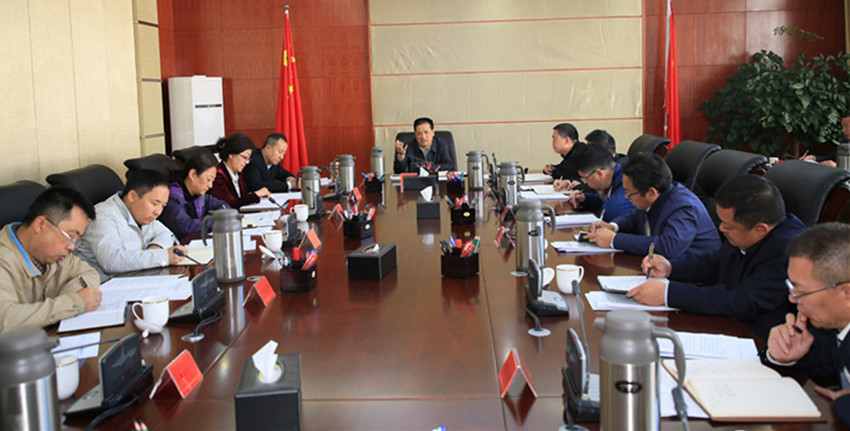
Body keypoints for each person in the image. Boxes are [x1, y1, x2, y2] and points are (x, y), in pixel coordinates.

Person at [627, 175, 806, 341]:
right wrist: (671, 267)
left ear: (760, 229)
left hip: (759, 340)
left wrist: (668, 293)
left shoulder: (792, 251)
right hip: (729, 324)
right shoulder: (743, 233)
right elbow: (714, 263)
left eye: (728, 226)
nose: (721, 229)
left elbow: (744, 301)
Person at [763, 223, 850, 427]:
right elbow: (826, 370)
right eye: (791, 287)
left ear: (846, 293)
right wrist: (786, 356)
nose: (792, 299)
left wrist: (845, 403)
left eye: (801, 291)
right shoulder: (830, 325)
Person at [0, 186, 101, 333]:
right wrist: (73, 303)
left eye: (76, 240)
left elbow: (88, 273)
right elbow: (5, 319)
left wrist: (69, 299)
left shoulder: (56, 255)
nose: (72, 247)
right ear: (40, 225)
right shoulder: (4, 259)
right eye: (70, 236)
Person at [585, 153, 720, 259]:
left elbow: (669, 247)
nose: (626, 197)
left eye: (629, 192)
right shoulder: (657, 197)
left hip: (693, 275)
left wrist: (614, 240)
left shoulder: (684, 207)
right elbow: (635, 215)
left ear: (651, 192)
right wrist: (613, 226)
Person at [74, 170, 187, 281]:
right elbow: (111, 261)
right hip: (104, 285)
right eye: (155, 203)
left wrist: (155, 248)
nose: (158, 212)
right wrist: (162, 256)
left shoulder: (142, 214)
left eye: (163, 206)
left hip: (135, 278)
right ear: (132, 196)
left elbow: (166, 234)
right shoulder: (103, 216)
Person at [160, 153, 230, 241]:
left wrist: (215, 218)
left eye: (212, 181)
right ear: (193, 174)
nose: (210, 185)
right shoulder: (172, 198)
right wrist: (214, 219)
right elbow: (186, 228)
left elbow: (224, 206)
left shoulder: (199, 195)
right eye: (208, 179)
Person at [564, 144, 635, 222]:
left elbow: (610, 211)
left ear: (599, 173)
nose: (586, 183)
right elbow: (606, 199)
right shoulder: (617, 175)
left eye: (585, 178)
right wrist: (585, 198)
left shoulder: (627, 185)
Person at [209, 133, 271, 209]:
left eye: (248, 158)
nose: (247, 162)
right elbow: (229, 204)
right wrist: (256, 195)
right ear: (231, 155)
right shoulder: (218, 175)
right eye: (244, 157)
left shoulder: (239, 174)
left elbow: (243, 198)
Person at [547, 123, 586, 191]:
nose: (552, 143)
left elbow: (562, 173)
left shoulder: (579, 153)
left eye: (555, 139)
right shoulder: (573, 152)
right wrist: (550, 168)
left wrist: (553, 171)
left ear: (567, 140)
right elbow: (562, 168)